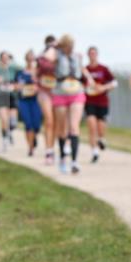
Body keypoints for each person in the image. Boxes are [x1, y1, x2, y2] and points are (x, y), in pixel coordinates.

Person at [46, 35, 87, 174]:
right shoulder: (57, 55)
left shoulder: (77, 56)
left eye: (72, 45)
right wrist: (54, 46)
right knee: (62, 128)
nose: (70, 48)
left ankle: (74, 162)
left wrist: (91, 80)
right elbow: (48, 57)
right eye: (67, 45)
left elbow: (82, 70)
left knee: (74, 127)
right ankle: (63, 158)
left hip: (76, 92)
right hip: (60, 93)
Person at [83, 46, 117, 163]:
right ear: (88, 55)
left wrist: (103, 87)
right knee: (91, 126)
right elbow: (80, 84)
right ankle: (95, 152)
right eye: (90, 53)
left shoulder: (103, 69)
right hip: (89, 101)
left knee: (100, 127)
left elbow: (114, 82)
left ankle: (102, 139)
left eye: (94, 53)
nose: (92, 55)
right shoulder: (85, 70)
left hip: (102, 101)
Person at [35, 35, 58, 165]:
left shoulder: (60, 57)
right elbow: (39, 70)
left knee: (55, 122)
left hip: (57, 92)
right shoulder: (42, 57)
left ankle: (53, 147)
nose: (52, 47)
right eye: (49, 45)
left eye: (53, 44)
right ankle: (48, 151)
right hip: (44, 91)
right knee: (49, 120)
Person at [15, 51, 42, 156]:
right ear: (26, 59)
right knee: (28, 124)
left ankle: (34, 138)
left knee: (36, 125)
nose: (30, 61)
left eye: (32, 59)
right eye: (29, 58)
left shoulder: (38, 73)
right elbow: (15, 85)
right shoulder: (20, 73)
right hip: (24, 100)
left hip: (36, 101)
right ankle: (30, 148)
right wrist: (19, 87)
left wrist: (37, 86)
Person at [0, 51, 19, 151]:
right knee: (4, 119)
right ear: (0, 59)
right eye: (3, 58)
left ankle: (10, 132)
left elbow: (19, 82)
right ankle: (4, 141)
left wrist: (15, 86)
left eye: (7, 58)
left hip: (12, 96)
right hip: (1, 96)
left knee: (13, 122)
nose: (5, 60)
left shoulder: (13, 69)